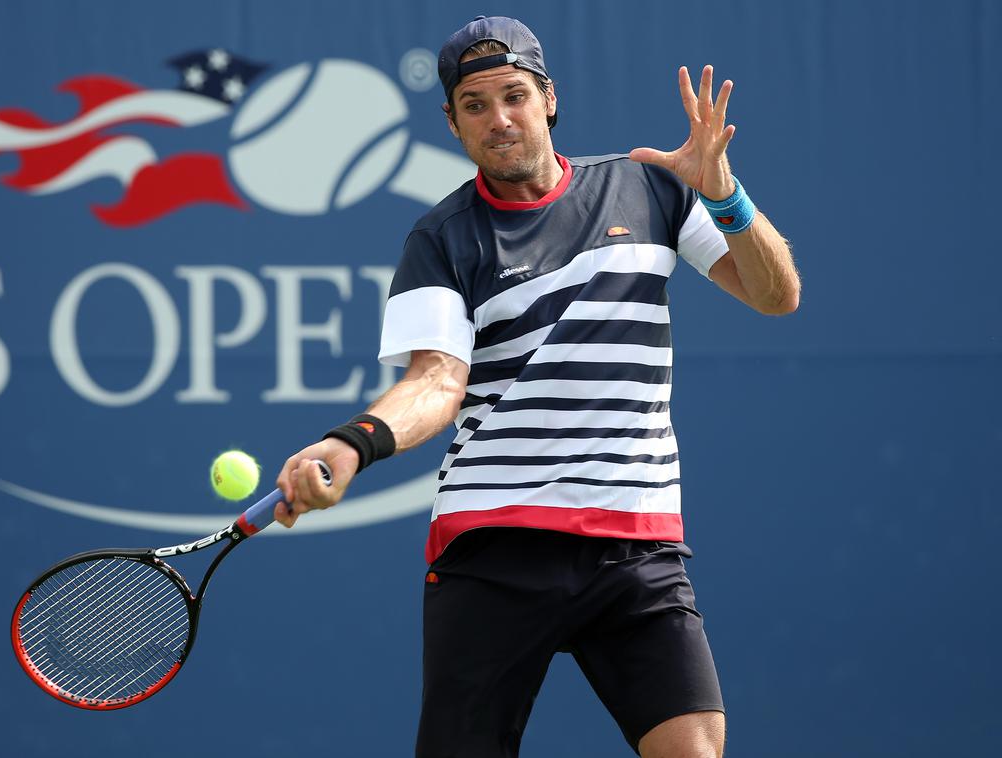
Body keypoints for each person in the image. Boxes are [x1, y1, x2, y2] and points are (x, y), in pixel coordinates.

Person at [272, 15, 800, 758]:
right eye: (476, 106)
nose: (501, 120)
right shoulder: (440, 239)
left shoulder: (652, 189)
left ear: (549, 98)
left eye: (514, 96)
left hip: (636, 547)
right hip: (496, 548)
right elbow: (434, 381)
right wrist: (352, 443)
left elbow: (775, 294)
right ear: (452, 123)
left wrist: (724, 194)